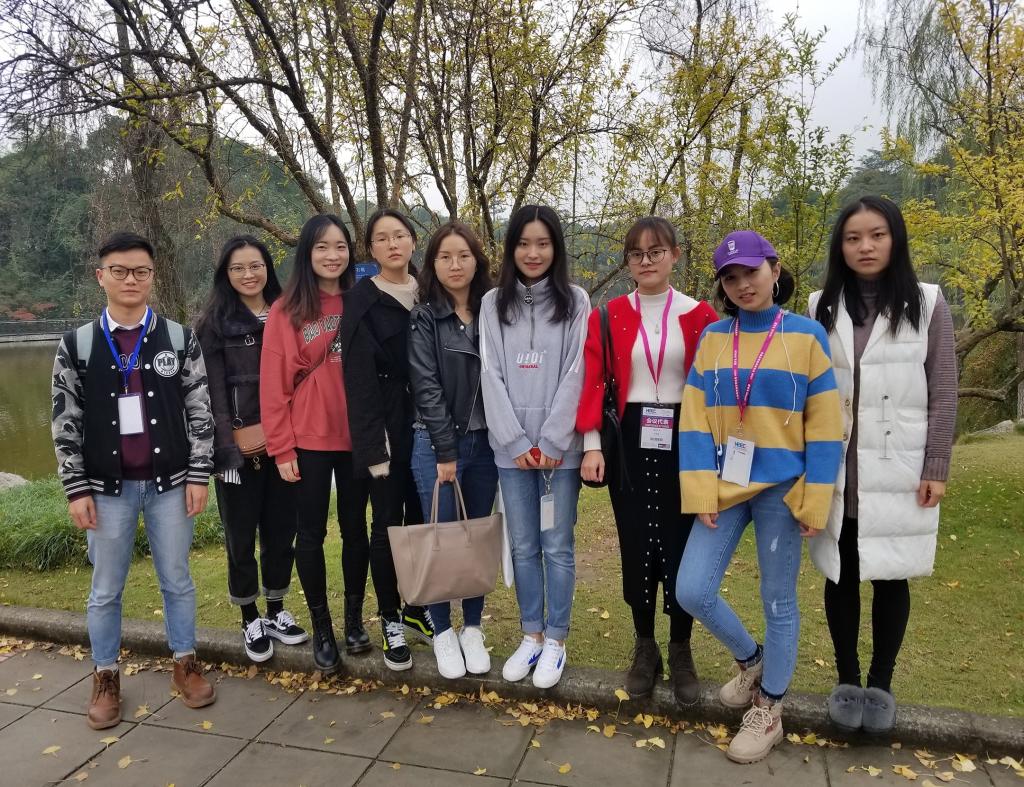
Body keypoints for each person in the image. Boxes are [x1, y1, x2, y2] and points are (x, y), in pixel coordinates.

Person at [675, 230, 843, 764]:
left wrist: (816, 499)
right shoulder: (713, 338)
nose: (742, 284)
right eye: (730, 277)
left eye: (751, 271)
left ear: (774, 268)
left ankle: (769, 707)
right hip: (725, 486)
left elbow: (826, 426)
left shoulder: (807, 336)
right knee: (691, 589)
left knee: (778, 600)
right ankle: (752, 661)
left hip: (783, 490)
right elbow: (694, 418)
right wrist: (701, 487)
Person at [51, 231, 217, 730]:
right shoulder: (78, 345)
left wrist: (199, 475)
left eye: (141, 271)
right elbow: (65, 422)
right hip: (107, 489)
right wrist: (76, 487)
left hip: (171, 484)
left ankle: (185, 663)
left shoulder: (178, 338)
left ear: (153, 276)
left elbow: (200, 411)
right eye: (119, 271)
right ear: (100, 276)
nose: (131, 280)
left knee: (178, 580)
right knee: (105, 590)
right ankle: (105, 675)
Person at [808, 196, 957, 734]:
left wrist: (936, 464)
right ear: (840, 247)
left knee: (892, 575)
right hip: (838, 466)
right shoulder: (821, 304)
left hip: (899, 465)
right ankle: (847, 679)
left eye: (876, 235)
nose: (865, 247)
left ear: (895, 239)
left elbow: (944, 389)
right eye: (853, 238)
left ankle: (881, 683)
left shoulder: (927, 302)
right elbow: (811, 390)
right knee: (841, 570)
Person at [576, 217, 718, 704]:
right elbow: (594, 382)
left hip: (686, 438)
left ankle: (680, 646)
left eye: (655, 251)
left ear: (675, 254)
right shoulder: (609, 315)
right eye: (636, 254)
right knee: (636, 542)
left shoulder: (700, 315)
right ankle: (644, 645)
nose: (646, 261)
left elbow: (714, 388)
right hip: (630, 439)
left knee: (681, 544)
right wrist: (591, 444)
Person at [479, 204, 590, 689]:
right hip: (512, 451)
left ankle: (557, 640)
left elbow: (576, 371)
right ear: (511, 249)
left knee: (557, 545)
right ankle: (532, 635)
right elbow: (490, 373)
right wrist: (516, 440)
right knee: (523, 546)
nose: (533, 252)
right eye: (523, 243)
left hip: (559, 453)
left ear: (556, 248)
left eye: (543, 243)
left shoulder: (576, 301)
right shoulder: (491, 304)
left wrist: (551, 440)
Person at [261, 214, 369, 674]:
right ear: (307, 253)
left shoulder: (362, 299)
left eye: (340, 246)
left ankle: (353, 622)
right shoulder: (287, 310)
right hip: (308, 438)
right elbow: (273, 386)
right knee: (310, 534)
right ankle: (322, 628)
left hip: (359, 436)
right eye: (322, 247)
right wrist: (281, 449)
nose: (332, 255)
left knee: (356, 529)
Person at [195, 235, 308, 663]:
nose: (248, 275)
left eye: (255, 265)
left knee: (281, 533)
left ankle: (276, 609)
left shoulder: (288, 313)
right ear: (225, 274)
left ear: (268, 268)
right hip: (239, 452)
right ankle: (249, 617)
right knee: (240, 538)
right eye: (238, 268)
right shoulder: (213, 324)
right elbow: (213, 395)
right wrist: (224, 452)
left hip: (285, 446)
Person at [339, 208, 434, 672]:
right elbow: (357, 379)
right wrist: (374, 448)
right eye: (382, 238)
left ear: (413, 241)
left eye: (400, 235)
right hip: (388, 428)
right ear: (371, 249)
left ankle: (418, 607)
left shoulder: (429, 291)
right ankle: (390, 618)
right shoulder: (361, 299)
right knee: (387, 526)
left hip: (430, 426)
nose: (393, 244)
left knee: (421, 523)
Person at [408, 221, 498, 679]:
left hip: (488, 444)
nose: (455, 264)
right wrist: (446, 450)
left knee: (476, 536)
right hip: (438, 444)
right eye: (445, 257)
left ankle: (473, 627)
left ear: (477, 261)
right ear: (433, 264)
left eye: (463, 255)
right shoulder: (425, 317)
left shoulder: (494, 311)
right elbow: (425, 387)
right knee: (441, 539)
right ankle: (443, 631)